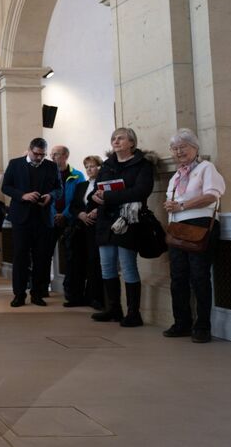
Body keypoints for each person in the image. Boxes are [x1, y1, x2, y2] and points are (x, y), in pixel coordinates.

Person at [163, 128, 225, 343]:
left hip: (200, 226)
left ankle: (203, 326)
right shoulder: (175, 176)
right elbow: (175, 203)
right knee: (178, 278)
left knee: (199, 277)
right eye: (175, 148)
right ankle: (181, 323)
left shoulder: (206, 168)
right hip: (178, 228)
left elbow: (211, 195)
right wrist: (170, 206)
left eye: (183, 147)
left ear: (195, 148)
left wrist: (180, 205)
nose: (179, 151)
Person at [90, 127, 155, 327]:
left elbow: (141, 191)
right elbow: (96, 188)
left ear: (132, 143)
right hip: (106, 220)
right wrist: (95, 197)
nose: (116, 141)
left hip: (128, 220)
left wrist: (108, 197)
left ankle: (134, 313)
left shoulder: (142, 164)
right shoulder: (107, 165)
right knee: (107, 265)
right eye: (113, 138)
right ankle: (114, 309)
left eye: (120, 138)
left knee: (127, 266)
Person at [2, 138, 60, 307]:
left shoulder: (51, 166)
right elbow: (6, 187)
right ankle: (19, 295)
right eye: (36, 154)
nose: (39, 158)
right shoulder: (15, 164)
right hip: (21, 218)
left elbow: (59, 189)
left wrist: (51, 196)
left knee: (41, 257)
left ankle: (37, 293)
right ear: (29, 150)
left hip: (43, 217)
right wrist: (23, 195)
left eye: (42, 155)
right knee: (20, 257)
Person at [66, 155, 104, 309]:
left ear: (100, 167)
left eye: (92, 166)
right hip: (80, 227)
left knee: (94, 262)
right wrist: (80, 214)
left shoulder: (103, 184)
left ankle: (95, 298)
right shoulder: (81, 185)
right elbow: (74, 205)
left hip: (96, 226)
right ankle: (76, 297)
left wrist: (95, 212)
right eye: (87, 167)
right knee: (77, 261)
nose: (89, 169)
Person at [50, 145, 85, 304]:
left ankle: (71, 293)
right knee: (44, 254)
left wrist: (64, 214)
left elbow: (78, 199)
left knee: (72, 257)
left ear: (65, 156)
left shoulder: (77, 175)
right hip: (51, 219)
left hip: (70, 220)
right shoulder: (48, 175)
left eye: (55, 154)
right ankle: (42, 288)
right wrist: (54, 215)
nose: (52, 157)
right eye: (51, 154)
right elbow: (47, 197)